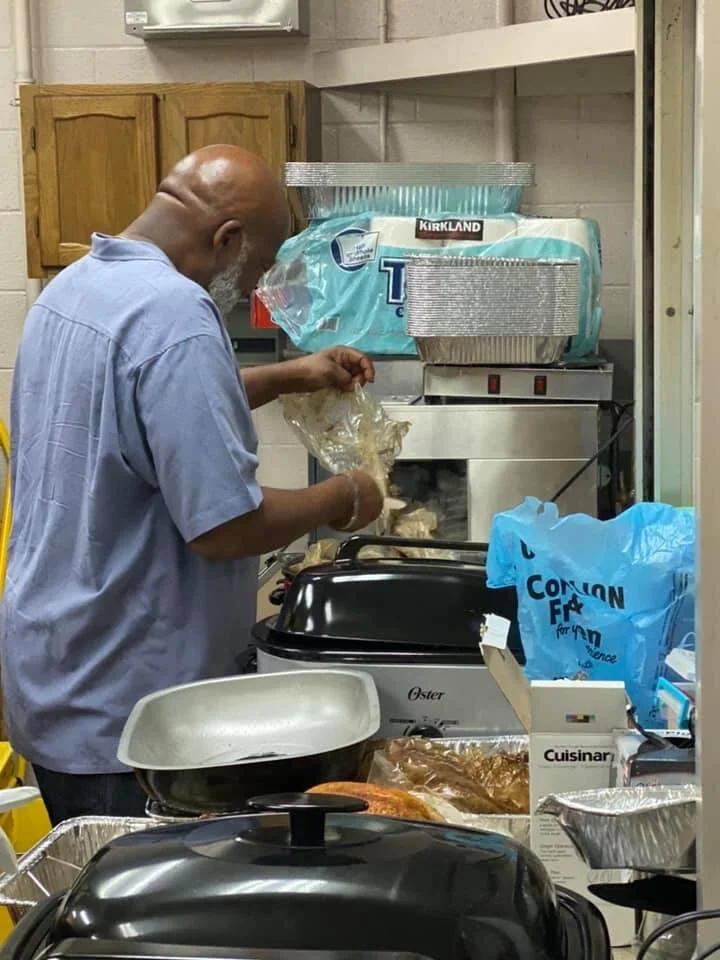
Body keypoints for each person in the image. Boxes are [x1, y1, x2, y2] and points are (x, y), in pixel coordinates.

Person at [0, 145, 384, 824]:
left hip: (59, 672)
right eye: (260, 265)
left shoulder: (75, 287)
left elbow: (156, 409)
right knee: (151, 925)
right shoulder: (174, 314)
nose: (256, 284)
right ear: (227, 239)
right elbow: (223, 527)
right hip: (131, 707)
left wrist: (294, 374)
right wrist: (345, 497)